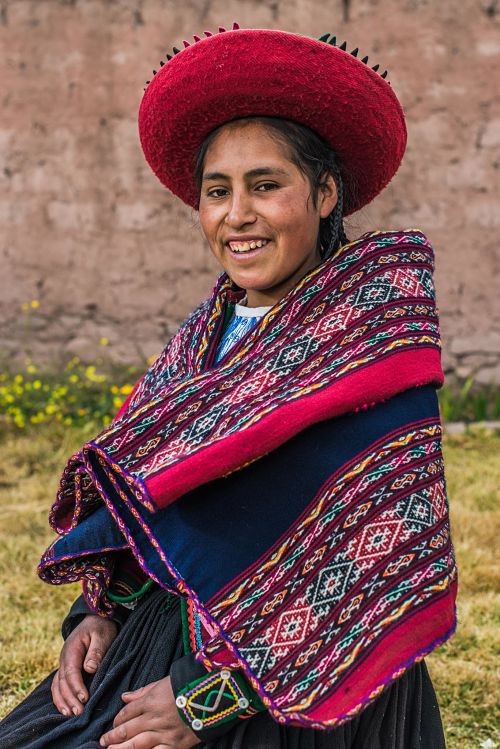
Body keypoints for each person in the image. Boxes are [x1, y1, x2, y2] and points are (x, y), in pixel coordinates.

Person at [0, 24, 457, 749]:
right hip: (165, 643)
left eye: (266, 186)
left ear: (325, 192)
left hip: (310, 684)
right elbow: (150, 510)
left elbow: (382, 556)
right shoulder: (200, 340)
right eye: (218, 191)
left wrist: (205, 701)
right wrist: (98, 615)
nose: (236, 215)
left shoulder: (370, 337)